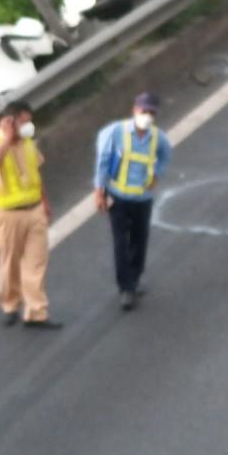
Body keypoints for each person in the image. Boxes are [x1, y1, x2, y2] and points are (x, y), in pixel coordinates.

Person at [0, 100, 61, 330]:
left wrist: (44, 203)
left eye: (29, 121)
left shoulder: (28, 144)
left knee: (36, 262)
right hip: (7, 215)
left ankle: (36, 312)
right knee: (10, 263)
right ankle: (10, 305)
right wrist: (7, 138)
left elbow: (36, 174)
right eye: (23, 122)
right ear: (9, 122)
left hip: (34, 211)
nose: (28, 126)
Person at [94, 92, 172, 311]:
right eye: (143, 110)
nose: (146, 115)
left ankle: (134, 279)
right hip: (117, 197)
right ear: (134, 110)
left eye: (151, 112)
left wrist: (156, 175)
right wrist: (99, 191)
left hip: (142, 199)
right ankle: (126, 288)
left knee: (139, 241)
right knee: (120, 242)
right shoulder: (115, 132)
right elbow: (103, 162)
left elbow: (166, 156)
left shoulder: (157, 138)